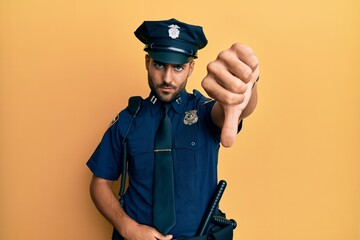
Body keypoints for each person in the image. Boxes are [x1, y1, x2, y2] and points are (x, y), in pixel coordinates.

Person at [87, 18, 259, 240]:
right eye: (159, 64)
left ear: (191, 68)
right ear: (147, 61)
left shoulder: (205, 112)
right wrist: (127, 228)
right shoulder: (127, 120)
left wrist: (247, 86)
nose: (167, 78)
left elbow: (235, 109)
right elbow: (99, 183)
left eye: (178, 67)